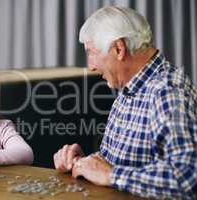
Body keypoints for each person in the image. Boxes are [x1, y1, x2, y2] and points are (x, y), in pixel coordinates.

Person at [53, 6, 197, 199]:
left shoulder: (167, 92)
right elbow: (121, 163)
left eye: (92, 52)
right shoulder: (130, 88)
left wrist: (110, 175)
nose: (91, 66)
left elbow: (189, 178)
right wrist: (82, 162)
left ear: (119, 49)